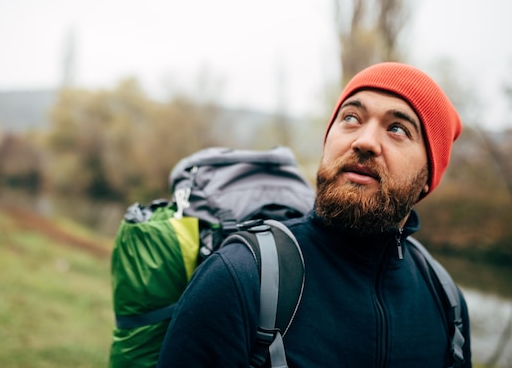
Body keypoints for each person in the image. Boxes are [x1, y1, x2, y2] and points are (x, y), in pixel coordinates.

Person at [156, 62, 472, 367]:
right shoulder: (239, 278)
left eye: (398, 128)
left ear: (429, 174)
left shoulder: (448, 307)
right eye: (351, 117)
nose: (364, 141)